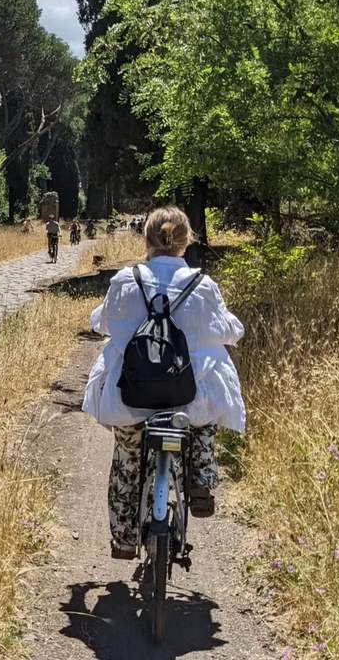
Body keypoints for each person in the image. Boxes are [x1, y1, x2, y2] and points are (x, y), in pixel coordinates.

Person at [81, 206, 246, 560]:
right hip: (187, 398)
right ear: (186, 242)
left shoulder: (126, 281)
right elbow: (230, 331)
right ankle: (201, 477)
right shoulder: (203, 285)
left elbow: (104, 323)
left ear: (147, 240)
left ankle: (124, 538)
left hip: (133, 397)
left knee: (128, 455)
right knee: (202, 418)